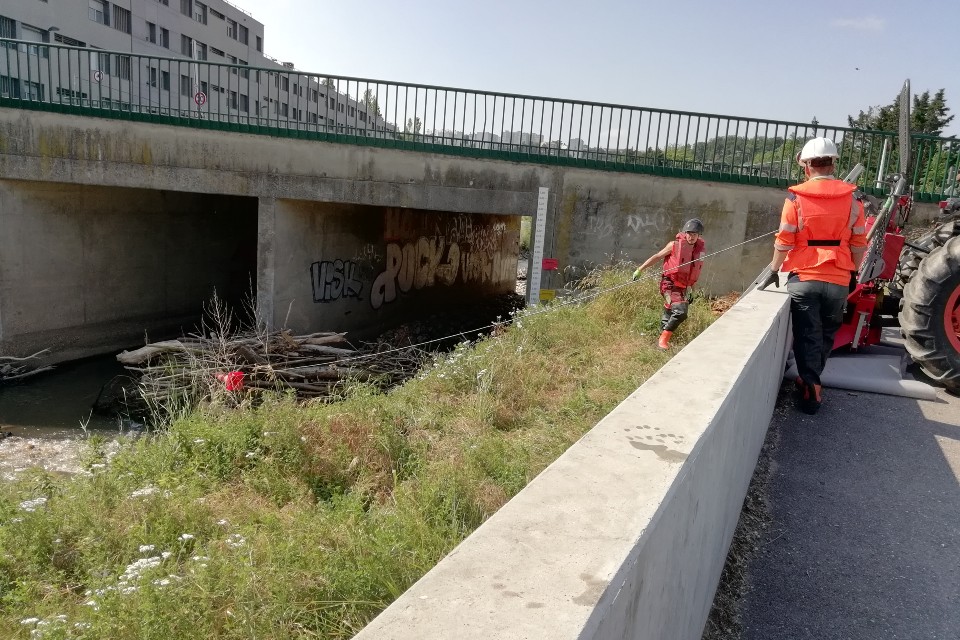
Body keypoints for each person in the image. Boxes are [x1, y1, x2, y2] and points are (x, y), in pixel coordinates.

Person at [757, 137, 868, 414]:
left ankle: (811, 389)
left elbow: (784, 240)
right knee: (827, 334)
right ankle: (811, 380)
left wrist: (773, 270)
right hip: (839, 277)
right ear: (833, 163)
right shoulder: (853, 200)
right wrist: (852, 272)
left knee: (808, 334)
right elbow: (858, 243)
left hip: (805, 277)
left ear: (806, 167)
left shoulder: (796, 198)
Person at [632, 218, 706, 350]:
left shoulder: (698, 251)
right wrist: (640, 269)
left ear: (699, 235)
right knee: (680, 311)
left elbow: (693, 273)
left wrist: (692, 291)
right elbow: (657, 256)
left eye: (695, 234)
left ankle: (658, 343)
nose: (691, 237)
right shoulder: (674, 245)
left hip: (682, 288)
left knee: (669, 311)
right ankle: (663, 340)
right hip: (668, 286)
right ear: (685, 233)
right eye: (689, 233)